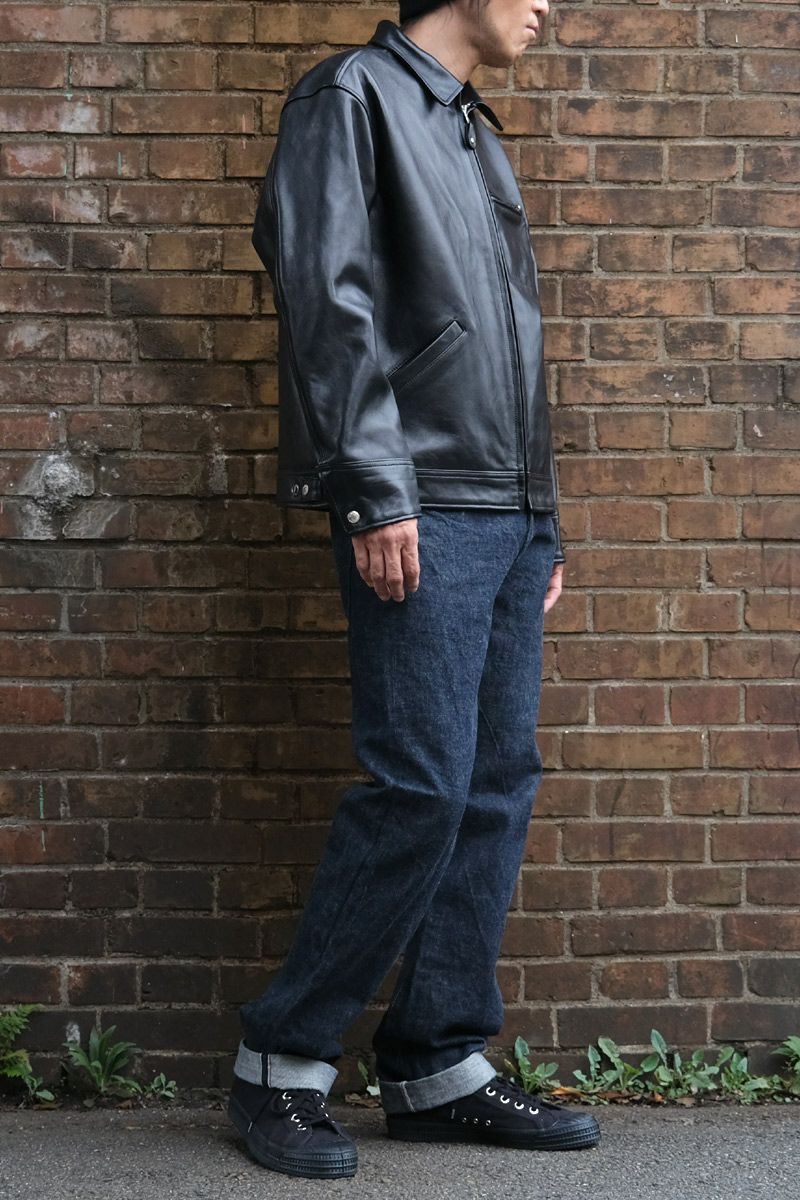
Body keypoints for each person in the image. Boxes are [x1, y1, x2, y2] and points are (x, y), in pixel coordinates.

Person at [228, 0, 600, 1179]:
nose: (547, 5)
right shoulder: (351, 98)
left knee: (492, 786)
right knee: (421, 788)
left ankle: (437, 1063)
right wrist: (373, 489)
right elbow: (327, 297)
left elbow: (510, 343)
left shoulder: (470, 126)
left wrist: (542, 517)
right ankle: (280, 1060)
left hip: (503, 510)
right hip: (421, 501)